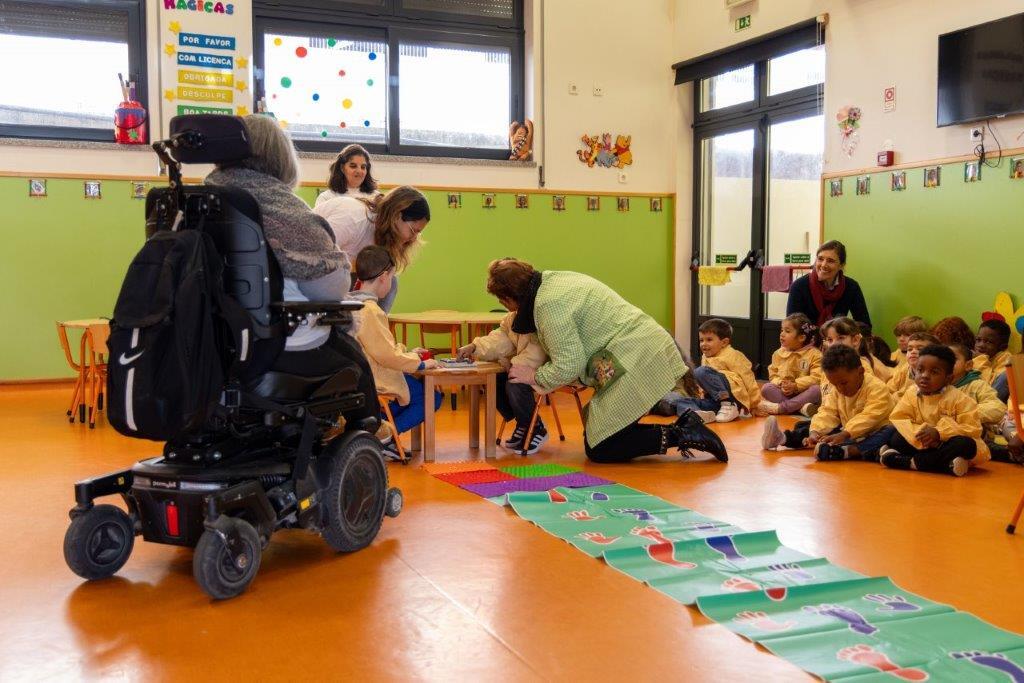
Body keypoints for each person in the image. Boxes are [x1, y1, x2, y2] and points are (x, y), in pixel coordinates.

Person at [204, 114, 380, 427]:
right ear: (281, 158)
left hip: (212, 346)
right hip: (278, 346)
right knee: (352, 357)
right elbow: (328, 288)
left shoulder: (199, 200)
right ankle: (368, 429)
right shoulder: (284, 209)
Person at [485, 259, 727, 464]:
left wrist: (534, 376)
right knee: (603, 431)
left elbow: (569, 362)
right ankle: (684, 429)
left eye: (501, 301)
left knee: (601, 446)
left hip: (635, 353)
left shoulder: (548, 306)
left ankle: (682, 433)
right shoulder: (549, 282)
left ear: (508, 298)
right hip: (629, 350)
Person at [348, 246, 441, 456]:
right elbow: (386, 355)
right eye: (391, 277)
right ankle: (383, 438)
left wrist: (409, 353)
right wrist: (420, 363)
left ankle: (384, 436)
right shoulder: (370, 310)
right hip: (375, 377)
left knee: (413, 392)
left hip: (362, 376)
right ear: (383, 277)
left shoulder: (353, 303)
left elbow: (382, 346)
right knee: (431, 397)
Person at [762, 344, 895, 462]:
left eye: (844, 383)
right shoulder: (837, 389)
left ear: (860, 372)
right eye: (835, 384)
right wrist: (815, 432)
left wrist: (845, 434)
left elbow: (869, 417)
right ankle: (782, 438)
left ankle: (846, 452)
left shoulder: (877, 388)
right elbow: (827, 411)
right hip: (849, 432)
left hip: (872, 432)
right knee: (810, 426)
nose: (840, 388)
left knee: (890, 432)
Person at [456, 292, 549, 454]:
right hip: (521, 365)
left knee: (515, 382)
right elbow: (499, 340)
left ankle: (535, 426)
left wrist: (512, 366)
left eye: (504, 297)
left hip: (544, 370)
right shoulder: (511, 318)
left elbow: (537, 353)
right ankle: (524, 422)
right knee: (494, 378)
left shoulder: (539, 317)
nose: (500, 301)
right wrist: (474, 346)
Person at [314, 185, 430, 313]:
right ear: (397, 215)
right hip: (299, 266)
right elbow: (313, 257)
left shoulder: (381, 236)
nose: (413, 238)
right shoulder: (353, 219)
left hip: (327, 274)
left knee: (389, 278)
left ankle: (372, 322)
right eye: (413, 231)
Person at [880, 344, 989, 476]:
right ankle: (947, 465)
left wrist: (938, 433)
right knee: (896, 437)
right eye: (920, 370)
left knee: (966, 445)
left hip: (944, 444)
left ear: (948, 378)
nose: (924, 376)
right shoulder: (911, 393)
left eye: (934, 372)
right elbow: (899, 417)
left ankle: (911, 463)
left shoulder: (960, 399)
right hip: (922, 443)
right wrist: (920, 435)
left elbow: (972, 428)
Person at [786, 241, 871, 329]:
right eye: (820, 259)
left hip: (838, 340)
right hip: (806, 341)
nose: (823, 265)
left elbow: (865, 325)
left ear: (841, 265)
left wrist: (843, 332)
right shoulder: (799, 286)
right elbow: (792, 325)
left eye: (830, 261)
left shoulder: (851, 287)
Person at [757, 313, 822, 416]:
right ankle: (801, 408)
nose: (782, 334)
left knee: (817, 390)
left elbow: (817, 378)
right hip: (785, 394)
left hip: (804, 393)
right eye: (782, 330)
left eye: (787, 331)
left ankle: (782, 408)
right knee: (766, 388)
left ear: (801, 338)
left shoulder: (815, 354)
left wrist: (795, 385)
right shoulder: (778, 353)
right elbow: (773, 374)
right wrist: (780, 383)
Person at [698, 318, 760, 422]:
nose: (704, 344)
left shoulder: (733, 355)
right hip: (716, 398)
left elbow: (748, 377)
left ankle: (729, 404)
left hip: (733, 397)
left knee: (701, 371)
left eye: (709, 340)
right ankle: (703, 413)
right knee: (683, 402)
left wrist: (754, 404)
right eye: (701, 340)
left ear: (724, 342)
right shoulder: (705, 356)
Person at [948, 343, 1006, 447]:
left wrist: (964, 413)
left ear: (968, 365)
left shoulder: (977, 385)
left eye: (953, 359)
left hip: (973, 437)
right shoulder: (935, 385)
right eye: (942, 360)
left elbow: (998, 408)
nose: (946, 364)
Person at [315, 143, 380, 206]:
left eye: (363, 167)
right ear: (342, 168)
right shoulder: (326, 198)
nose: (359, 171)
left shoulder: (376, 197)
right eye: (353, 166)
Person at [886, 332, 941, 397]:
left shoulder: (935, 375)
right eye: (909, 349)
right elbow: (889, 388)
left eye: (920, 349)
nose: (913, 352)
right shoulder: (906, 368)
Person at [974, 318, 1011, 389]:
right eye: (978, 340)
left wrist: (981, 359)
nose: (981, 345)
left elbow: (992, 386)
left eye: (988, 342)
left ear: (1002, 347)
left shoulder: (1006, 359)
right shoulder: (974, 355)